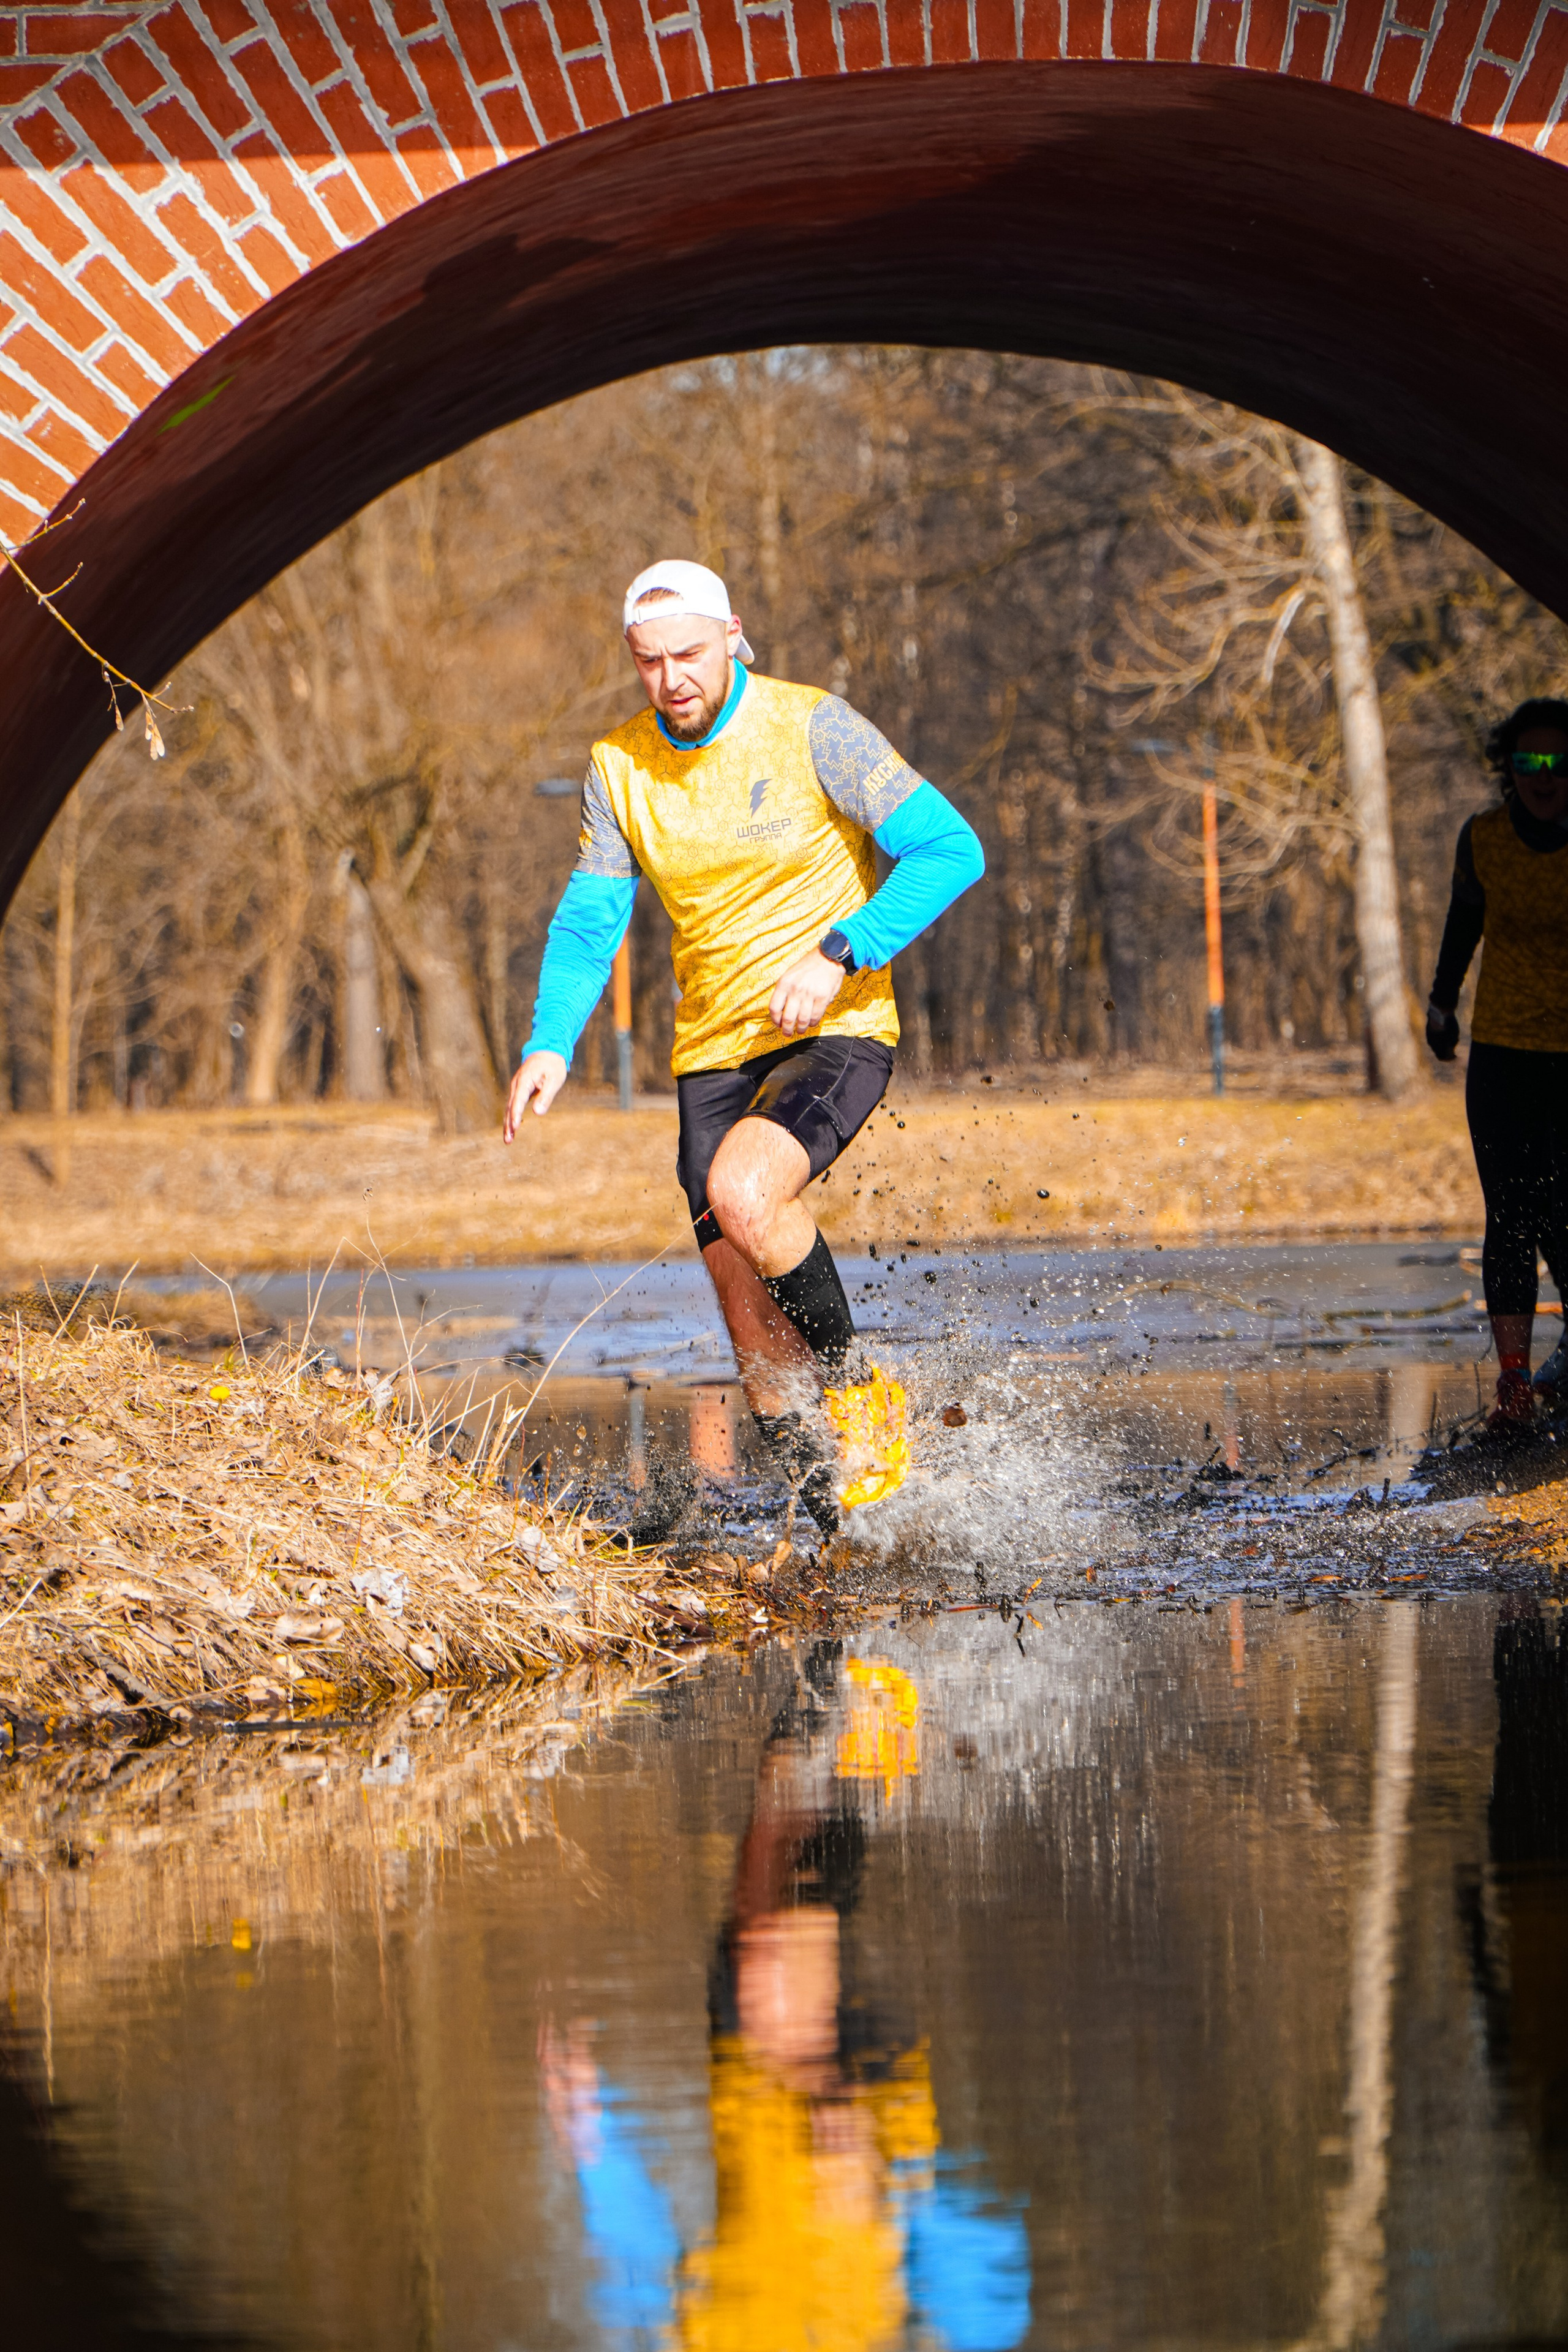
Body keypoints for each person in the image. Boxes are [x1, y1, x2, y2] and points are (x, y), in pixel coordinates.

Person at [504, 560, 985, 1533]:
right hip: (714, 1049)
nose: (672, 677)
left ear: (732, 636)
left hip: (834, 1026)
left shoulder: (814, 727)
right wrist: (550, 1042)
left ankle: (863, 1398)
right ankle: (831, 1532)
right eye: (650, 662)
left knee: (745, 1192)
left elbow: (951, 849)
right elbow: (593, 916)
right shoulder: (618, 766)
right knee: (747, 1317)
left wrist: (841, 949)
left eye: (689, 653)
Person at [1427, 696, 1568, 1433]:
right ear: (1509, 771)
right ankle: (1512, 1386)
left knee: (1564, 1216)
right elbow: (1463, 924)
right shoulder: (1483, 838)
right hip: (1505, 1051)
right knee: (1511, 1215)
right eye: (1529, 763)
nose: (1545, 777)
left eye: (1558, 762)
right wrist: (1440, 1005)